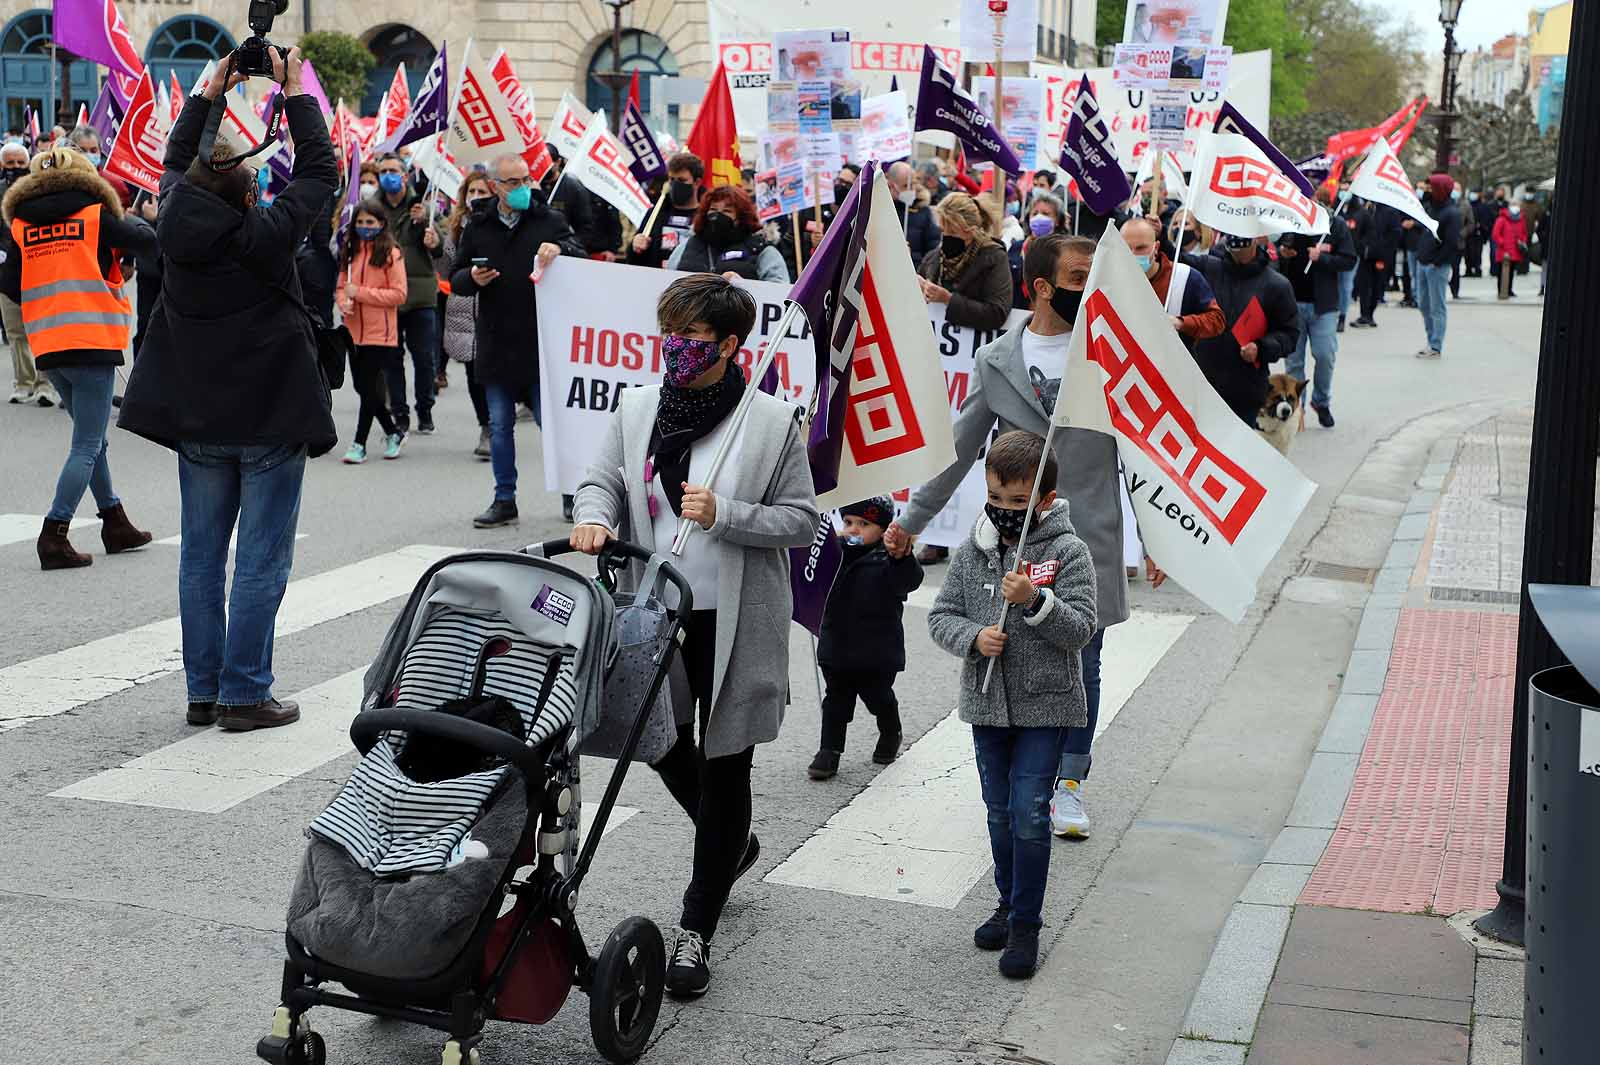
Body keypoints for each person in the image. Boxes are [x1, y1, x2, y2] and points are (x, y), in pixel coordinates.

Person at [570, 273, 818, 998]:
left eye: (692, 340)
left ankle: (695, 929)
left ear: (732, 345)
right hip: (654, 610)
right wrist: (595, 516)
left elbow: (802, 521)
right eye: (668, 334)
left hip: (738, 617)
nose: (674, 349)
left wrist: (728, 512)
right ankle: (729, 839)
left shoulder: (771, 422)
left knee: (728, 759)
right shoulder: (638, 405)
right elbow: (603, 480)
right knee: (658, 738)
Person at [118, 47, 337, 730]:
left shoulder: (173, 219)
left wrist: (213, 88)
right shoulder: (266, 233)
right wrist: (294, 89)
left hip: (199, 418)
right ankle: (245, 692)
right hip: (270, 417)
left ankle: (203, 690)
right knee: (261, 558)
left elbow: (178, 157)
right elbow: (321, 170)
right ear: (249, 197)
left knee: (202, 555)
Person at [889, 235, 1135, 841]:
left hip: (1089, 538)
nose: (1090, 287)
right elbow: (960, 448)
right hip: (1015, 543)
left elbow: (1151, 450)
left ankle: (1067, 787)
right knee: (1023, 659)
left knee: (1084, 664)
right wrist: (911, 519)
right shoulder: (997, 361)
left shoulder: (1110, 354)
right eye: (1079, 277)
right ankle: (1024, 780)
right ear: (1044, 287)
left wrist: (1160, 542)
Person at [926, 430, 1098, 979]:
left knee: (1028, 812)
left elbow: (1081, 629)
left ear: (1044, 500)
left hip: (1045, 709)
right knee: (998, 810)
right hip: (987, 708)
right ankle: (1006, 900)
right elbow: (941, 615)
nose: (1004, 511)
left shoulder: (1067, 551)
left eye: (1018, 503)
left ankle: (1027, 922)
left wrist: (1037, 602)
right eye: (996, 499)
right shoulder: (973, 549)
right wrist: (974, 638)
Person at [1, 143, 156, 569]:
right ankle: (55, 533)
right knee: (88, 442)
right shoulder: (93, 217)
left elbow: (10, 283)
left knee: (92, 439)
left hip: (48, 344)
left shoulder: (21, 226)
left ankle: (114, 520)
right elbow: (146, 240)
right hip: (90, 338)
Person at [450, 152, 586, 529]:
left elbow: (581, 254)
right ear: (495, 187)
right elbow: (457, 274)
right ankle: (504, 498)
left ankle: (573, 494)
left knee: (552, 424)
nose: (523, 187)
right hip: (496, 341)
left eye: (526, 179)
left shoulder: (549, 220)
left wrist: (561, 250)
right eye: (513, 182)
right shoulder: (478, 225)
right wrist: (471, 280)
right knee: (499, 425)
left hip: (541, 342)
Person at [808, 495, 923, 781]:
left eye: (864, 524)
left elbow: (909, 581)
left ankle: (890, 731)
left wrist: (901, 557)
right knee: (836, 701)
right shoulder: (833, 554)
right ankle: (829, 751)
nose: (853, 530)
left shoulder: (889, 560)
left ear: (884, 530)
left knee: (878, 698)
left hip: (876, 651)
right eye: (848, 522)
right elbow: (809, 578)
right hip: (836, 646)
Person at [1186, 234, 1300, 427]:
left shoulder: (1276, 285)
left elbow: (1290, 334)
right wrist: (1159, 234)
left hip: (1246, 392)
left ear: (1256, 238)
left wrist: (1261, 348)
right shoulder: (1208, 268)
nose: (1236, 239)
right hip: (1202, 386)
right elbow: (1173, 261)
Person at [373, 152, 441, 435]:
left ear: (405, 174)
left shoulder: (423, 207)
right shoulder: (371, 209)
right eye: (383, 170)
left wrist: (429, 230)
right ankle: (400, 413)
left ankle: (425, 408)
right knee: (391, 359)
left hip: (420, 295)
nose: (389, 174)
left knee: (424, 357)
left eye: (394, 170)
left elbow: (439, 249)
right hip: (387, 295)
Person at [336, 201, 409, 462]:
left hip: (381, 333)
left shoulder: (391, 253)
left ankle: (359, 443)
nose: (365, 227)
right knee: (362, 386)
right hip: (354, 332)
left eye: (370, 222)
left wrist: (362, 294)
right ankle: (392, 431)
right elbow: (342, 286)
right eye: (360, 222)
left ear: (381, 224)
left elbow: (399, 294)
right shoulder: (350, 251)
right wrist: (343, 299)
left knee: (368, 388)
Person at [1275, 194, 1357, 426]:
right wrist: (1283, 254)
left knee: (1325, 355)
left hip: (1324, 305)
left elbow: (1349, 259)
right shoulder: (1289, 220)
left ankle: (1321, 401)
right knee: (1294, 362)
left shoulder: (1335, 224)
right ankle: (1296, 409)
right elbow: (1275, 249)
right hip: (1292, 303)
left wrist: (1323, 258)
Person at [440, 171, 496, 459]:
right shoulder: (457, 226)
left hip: (495, 309)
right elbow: (447, 267)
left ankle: (499, 423)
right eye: (471, 191)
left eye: (482, 192)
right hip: (463, 309)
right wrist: (436, 247)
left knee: (495, 374)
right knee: (474, 374)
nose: (476, 197)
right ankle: (486, 426)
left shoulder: (500, 226)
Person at [0, 139, 55, 406]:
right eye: (10, 164)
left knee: (42, 331)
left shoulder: (39, 192)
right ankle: (23, 383)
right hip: (6, 272)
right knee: (16, 332)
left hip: (38, 268)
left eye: (20, 163)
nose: (15, 168)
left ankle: (45, 384)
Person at [1121, 216, 1225, 350]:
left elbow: (1217, 320)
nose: (1133, 254)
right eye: (1126, 248)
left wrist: (1180, 323)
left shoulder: (1185, 277)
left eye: (1141, 248)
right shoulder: (1110, 278)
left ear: (1156, 247)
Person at [917, 192, 1013, 331]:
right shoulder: (934, 257)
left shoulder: (993, 257)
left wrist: (948, 300)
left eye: (954, 232)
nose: (947, 237)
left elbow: (997, 313)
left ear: (971, 231)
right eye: (943, 231)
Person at [666, 184, 788, 282]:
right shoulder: (687, 246)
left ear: (741, 218)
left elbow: (777, 292)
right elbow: (666, 282)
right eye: (713, 209)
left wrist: (745, 286)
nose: (718, 215)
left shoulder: (761, 250)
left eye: (727, 211)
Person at [1414, 173, 1462, 359]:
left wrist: (1437, 261)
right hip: (1423, 262)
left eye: (1431, 187)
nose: (1428, 190)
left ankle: (1435, 345)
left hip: (1437, 266)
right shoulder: (1430, 207)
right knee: (1424, 304)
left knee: (1437, 307)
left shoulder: (1452, 213)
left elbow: (1451, 243)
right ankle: (1430, 340)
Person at [628, 152, 703, 268]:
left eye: (682, 180)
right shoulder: (655, 213)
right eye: (672, 179)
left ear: (697, 182)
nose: (675, 184)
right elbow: (634, 260)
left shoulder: (704, 217)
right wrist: (635, 247)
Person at [1351, 200, 1401, 327]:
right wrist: (1362, 248)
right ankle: (1364, 315)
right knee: (1364, 284)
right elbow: (1357, 230)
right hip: (1366, 255)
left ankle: (1370, 314)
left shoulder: (1391, 212)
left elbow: (1395, 234)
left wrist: (1384, 250)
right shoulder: (1367, 210)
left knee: (1377, 285)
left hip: (1381, 257)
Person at [1010, 194, 1066, 307]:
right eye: (1035, 213)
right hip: (1019, 313)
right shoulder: (1016, 247)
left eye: (1046, 214)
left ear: (1057, 220)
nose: (1039, 217)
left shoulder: (1064, 251)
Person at [886, 160, 940, 264]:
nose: (912, 190)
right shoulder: (882, 211)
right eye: (906, 185)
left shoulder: (923, 211)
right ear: (891, 185)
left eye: (914, 184)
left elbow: (933, 248)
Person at [1491, 201, 1528, 300]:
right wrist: (1502, 243)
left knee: (1511, 271)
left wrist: (1522, 241)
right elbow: (1495, 234)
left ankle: (1509, 289)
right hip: (1503, 251)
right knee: (1501, 272)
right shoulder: (1502, 219)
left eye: (1517, 205)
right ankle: (1501, 290)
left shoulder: (1521, 219)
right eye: (1513, 205)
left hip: (1515, 250)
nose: (1515, 207)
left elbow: (1524, 233)